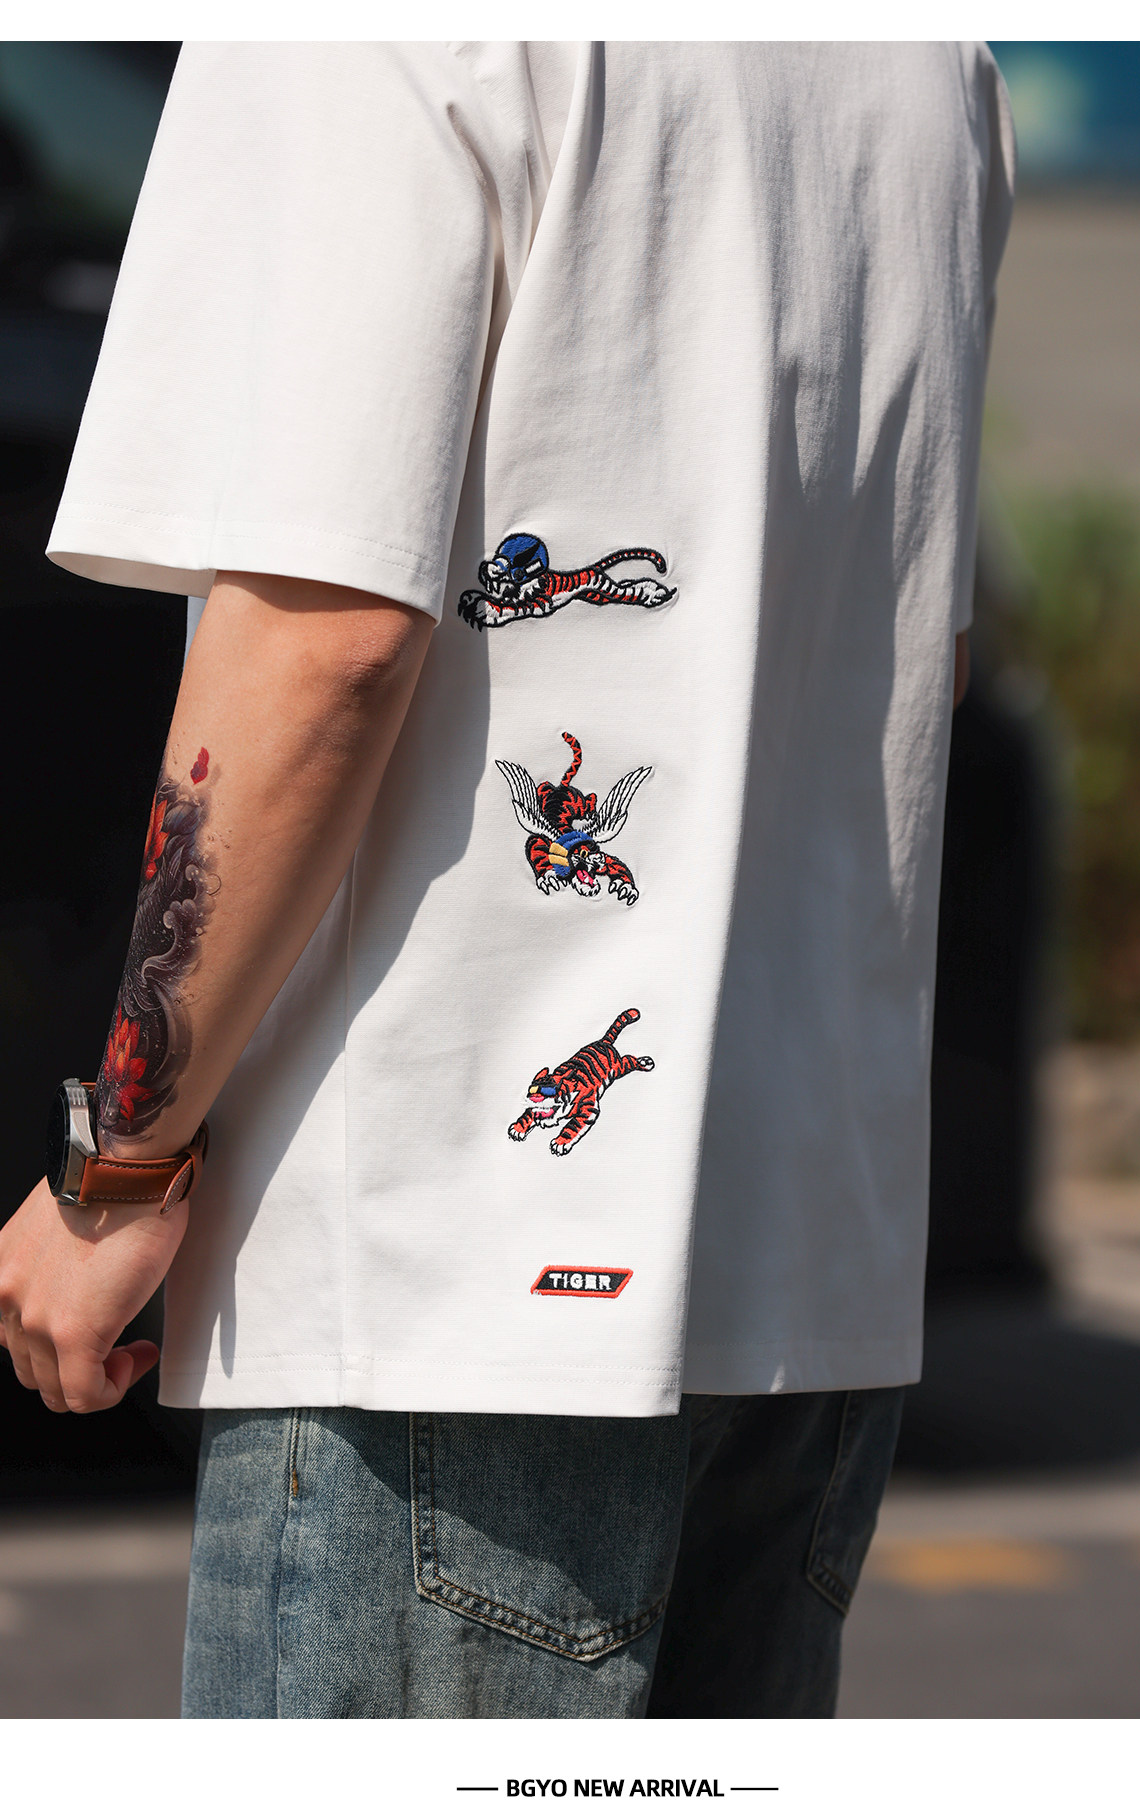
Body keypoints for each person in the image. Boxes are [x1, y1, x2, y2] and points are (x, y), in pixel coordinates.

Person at [0, 43, 1014, 1718]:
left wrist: (118, 1164)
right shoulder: (928, 53)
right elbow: (925, 649)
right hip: (810, 1282)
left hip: (449, 1286)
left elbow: (325, 643)